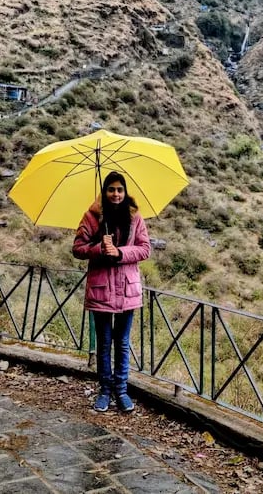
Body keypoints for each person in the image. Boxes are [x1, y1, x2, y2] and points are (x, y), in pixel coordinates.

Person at [72, 171, 151, 413]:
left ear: (125, 192)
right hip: (101, 288)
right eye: (111, 189)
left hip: (127, 288)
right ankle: (105, 390)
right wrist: (98, 248)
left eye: (120, 189)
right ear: (104, 191)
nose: (116, 194)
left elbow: (145, 249)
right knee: (105, 342)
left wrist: (119, 253)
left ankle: (122, 390)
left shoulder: (135, 217)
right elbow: (78, 248)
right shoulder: (92, 216)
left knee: (122, 342)